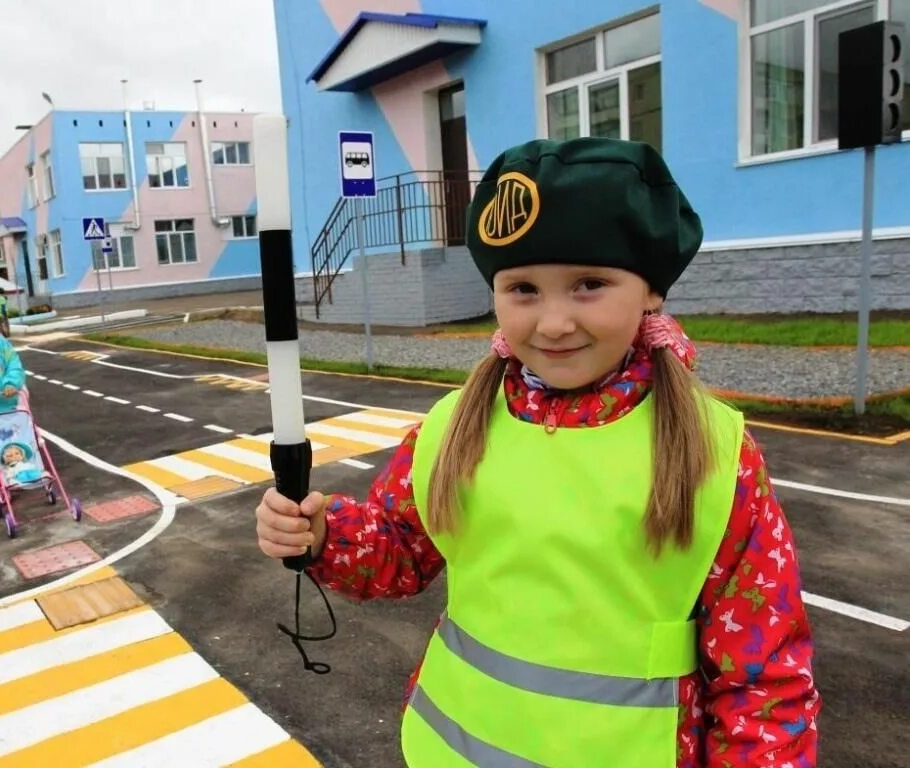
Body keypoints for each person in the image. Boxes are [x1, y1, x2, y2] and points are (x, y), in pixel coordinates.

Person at [254, 138, 820, 766]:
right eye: (523, 288)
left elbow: (763, 682)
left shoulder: (712, 454)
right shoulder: (453, 428)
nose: (553, 322)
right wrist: (324, 534)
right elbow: (401, 552)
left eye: (589, 284)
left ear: (651, 291)